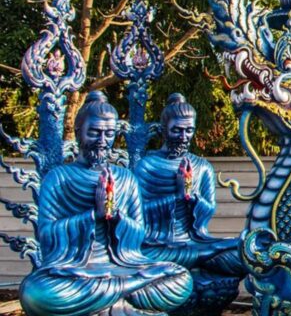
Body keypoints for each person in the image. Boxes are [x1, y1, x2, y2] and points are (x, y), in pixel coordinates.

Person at [19, 91, 192, 316]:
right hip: (75, 271)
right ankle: (122, 303)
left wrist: (116, 217)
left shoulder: (126, 178)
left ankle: (110, 300)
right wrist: (94, 216)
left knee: (180, 278)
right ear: (79, 132)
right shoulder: (59, 177)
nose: (102, 141)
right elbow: (46, 234)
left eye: (109, 134)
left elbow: (140, 233)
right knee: (35, 293)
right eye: (95, 133)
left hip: (121, 265)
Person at [136, 94, 242, 313]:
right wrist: (176, 196)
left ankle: (201, 258)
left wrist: (193, 199)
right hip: (158, 245)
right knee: (151, 259)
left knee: (240, 254)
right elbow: (137, 215)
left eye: (189, 130)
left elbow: (209, 208)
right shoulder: (147, 166)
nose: (183, 137)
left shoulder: (201, 166)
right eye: (177, 130)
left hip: (195, 241)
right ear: (164, 129)